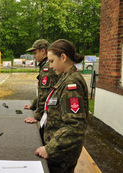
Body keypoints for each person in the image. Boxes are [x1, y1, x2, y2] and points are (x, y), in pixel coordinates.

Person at [35, 39, 89, 173]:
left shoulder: (72, 84)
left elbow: (75, 126)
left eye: (52, 61)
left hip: (61, 153)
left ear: (63, 57)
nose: (51, 66)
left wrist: (50, 148)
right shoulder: (65, 79)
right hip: (58, 147)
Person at [24, 39, 59, 124]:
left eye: (35, 53)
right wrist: (33, 106)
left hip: (52, 114)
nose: (34, 56)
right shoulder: (45, 65)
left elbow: (45, 93)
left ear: (43, 51)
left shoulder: (47, 68)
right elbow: (41, 91)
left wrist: (37, 116)